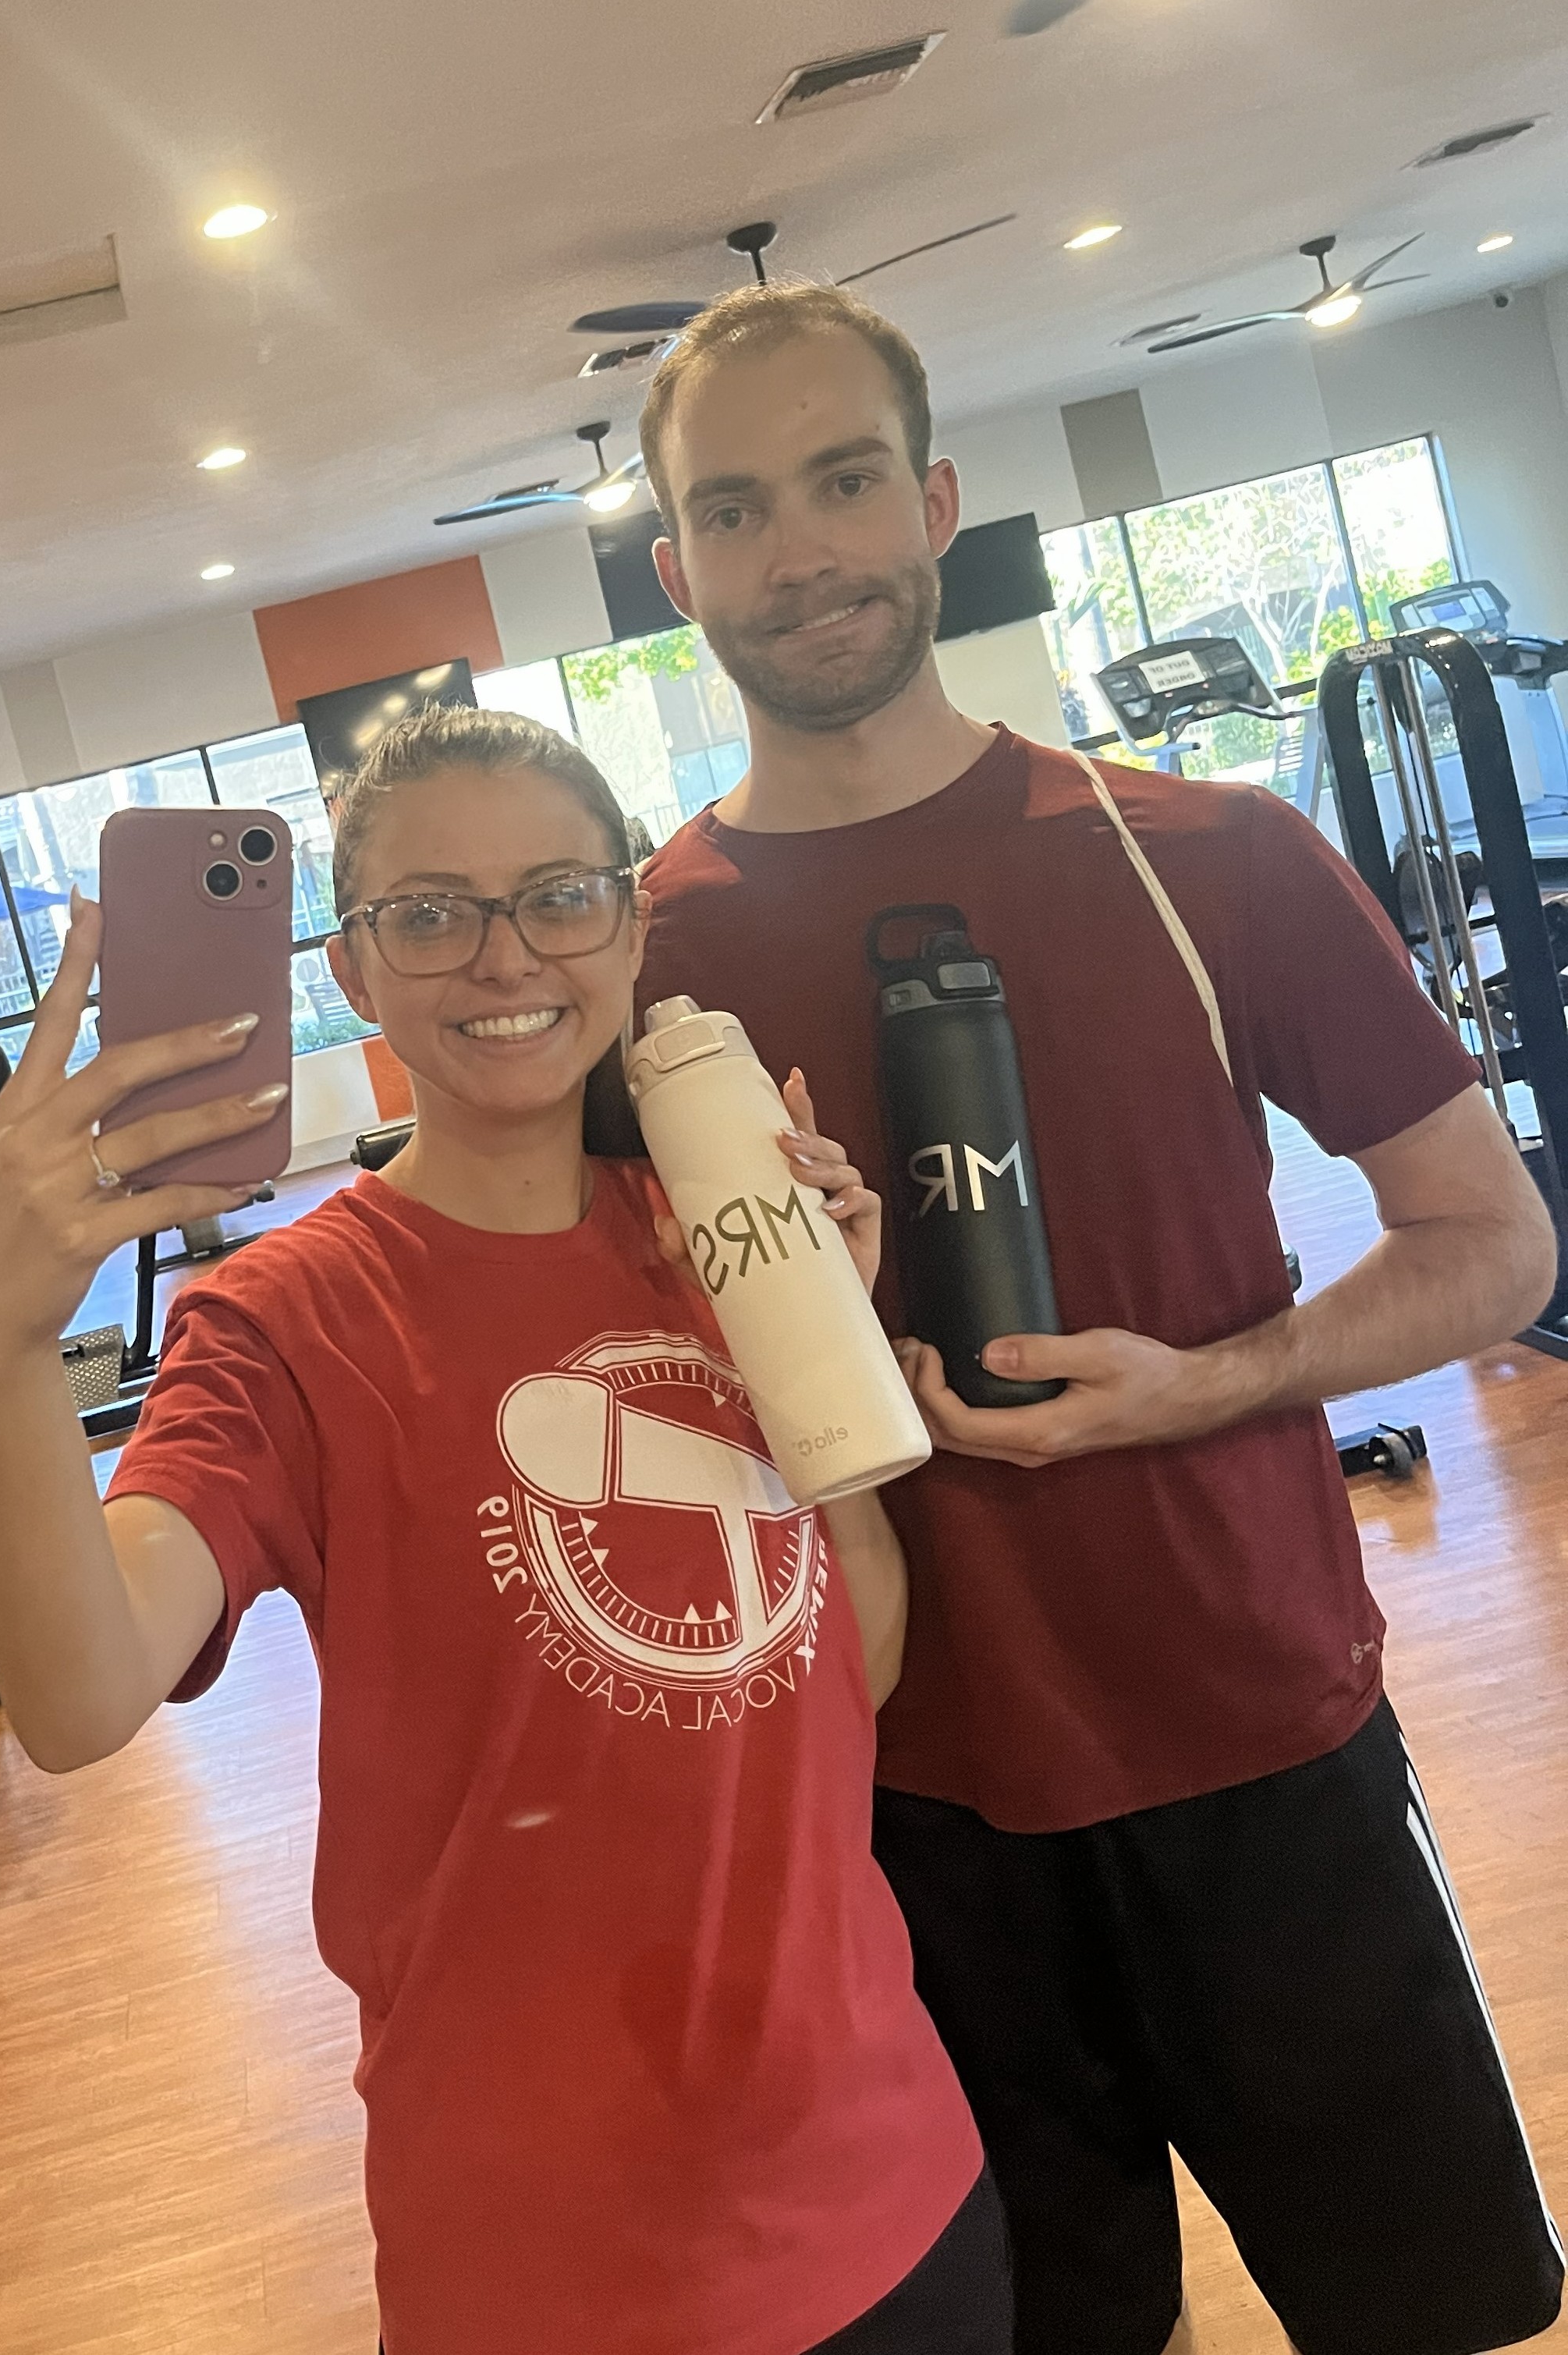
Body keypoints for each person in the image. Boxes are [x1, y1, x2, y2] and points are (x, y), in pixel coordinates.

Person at [628, 275, 1566, 2355]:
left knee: (1426, 2316)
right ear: (672, 562)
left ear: (936, 498)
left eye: (845, 477)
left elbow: (1494, 1245)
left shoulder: (1208, 854)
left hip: (1267, 1741)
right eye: (738, 504)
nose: (799, 549)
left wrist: (1211, 1385)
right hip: (897, 1814)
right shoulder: (637, 970)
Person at [0, 705, 1011, 2355]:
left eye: (559, 895)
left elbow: (849, 1674)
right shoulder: (281, 1324)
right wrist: (1, 1351)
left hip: (886, 2181)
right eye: (427, 913)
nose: (502, 954)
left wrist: (827, 1350)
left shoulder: (725, 1231)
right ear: (352, 970)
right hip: (547, 2258)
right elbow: (79, 1699)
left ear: (630, 926)